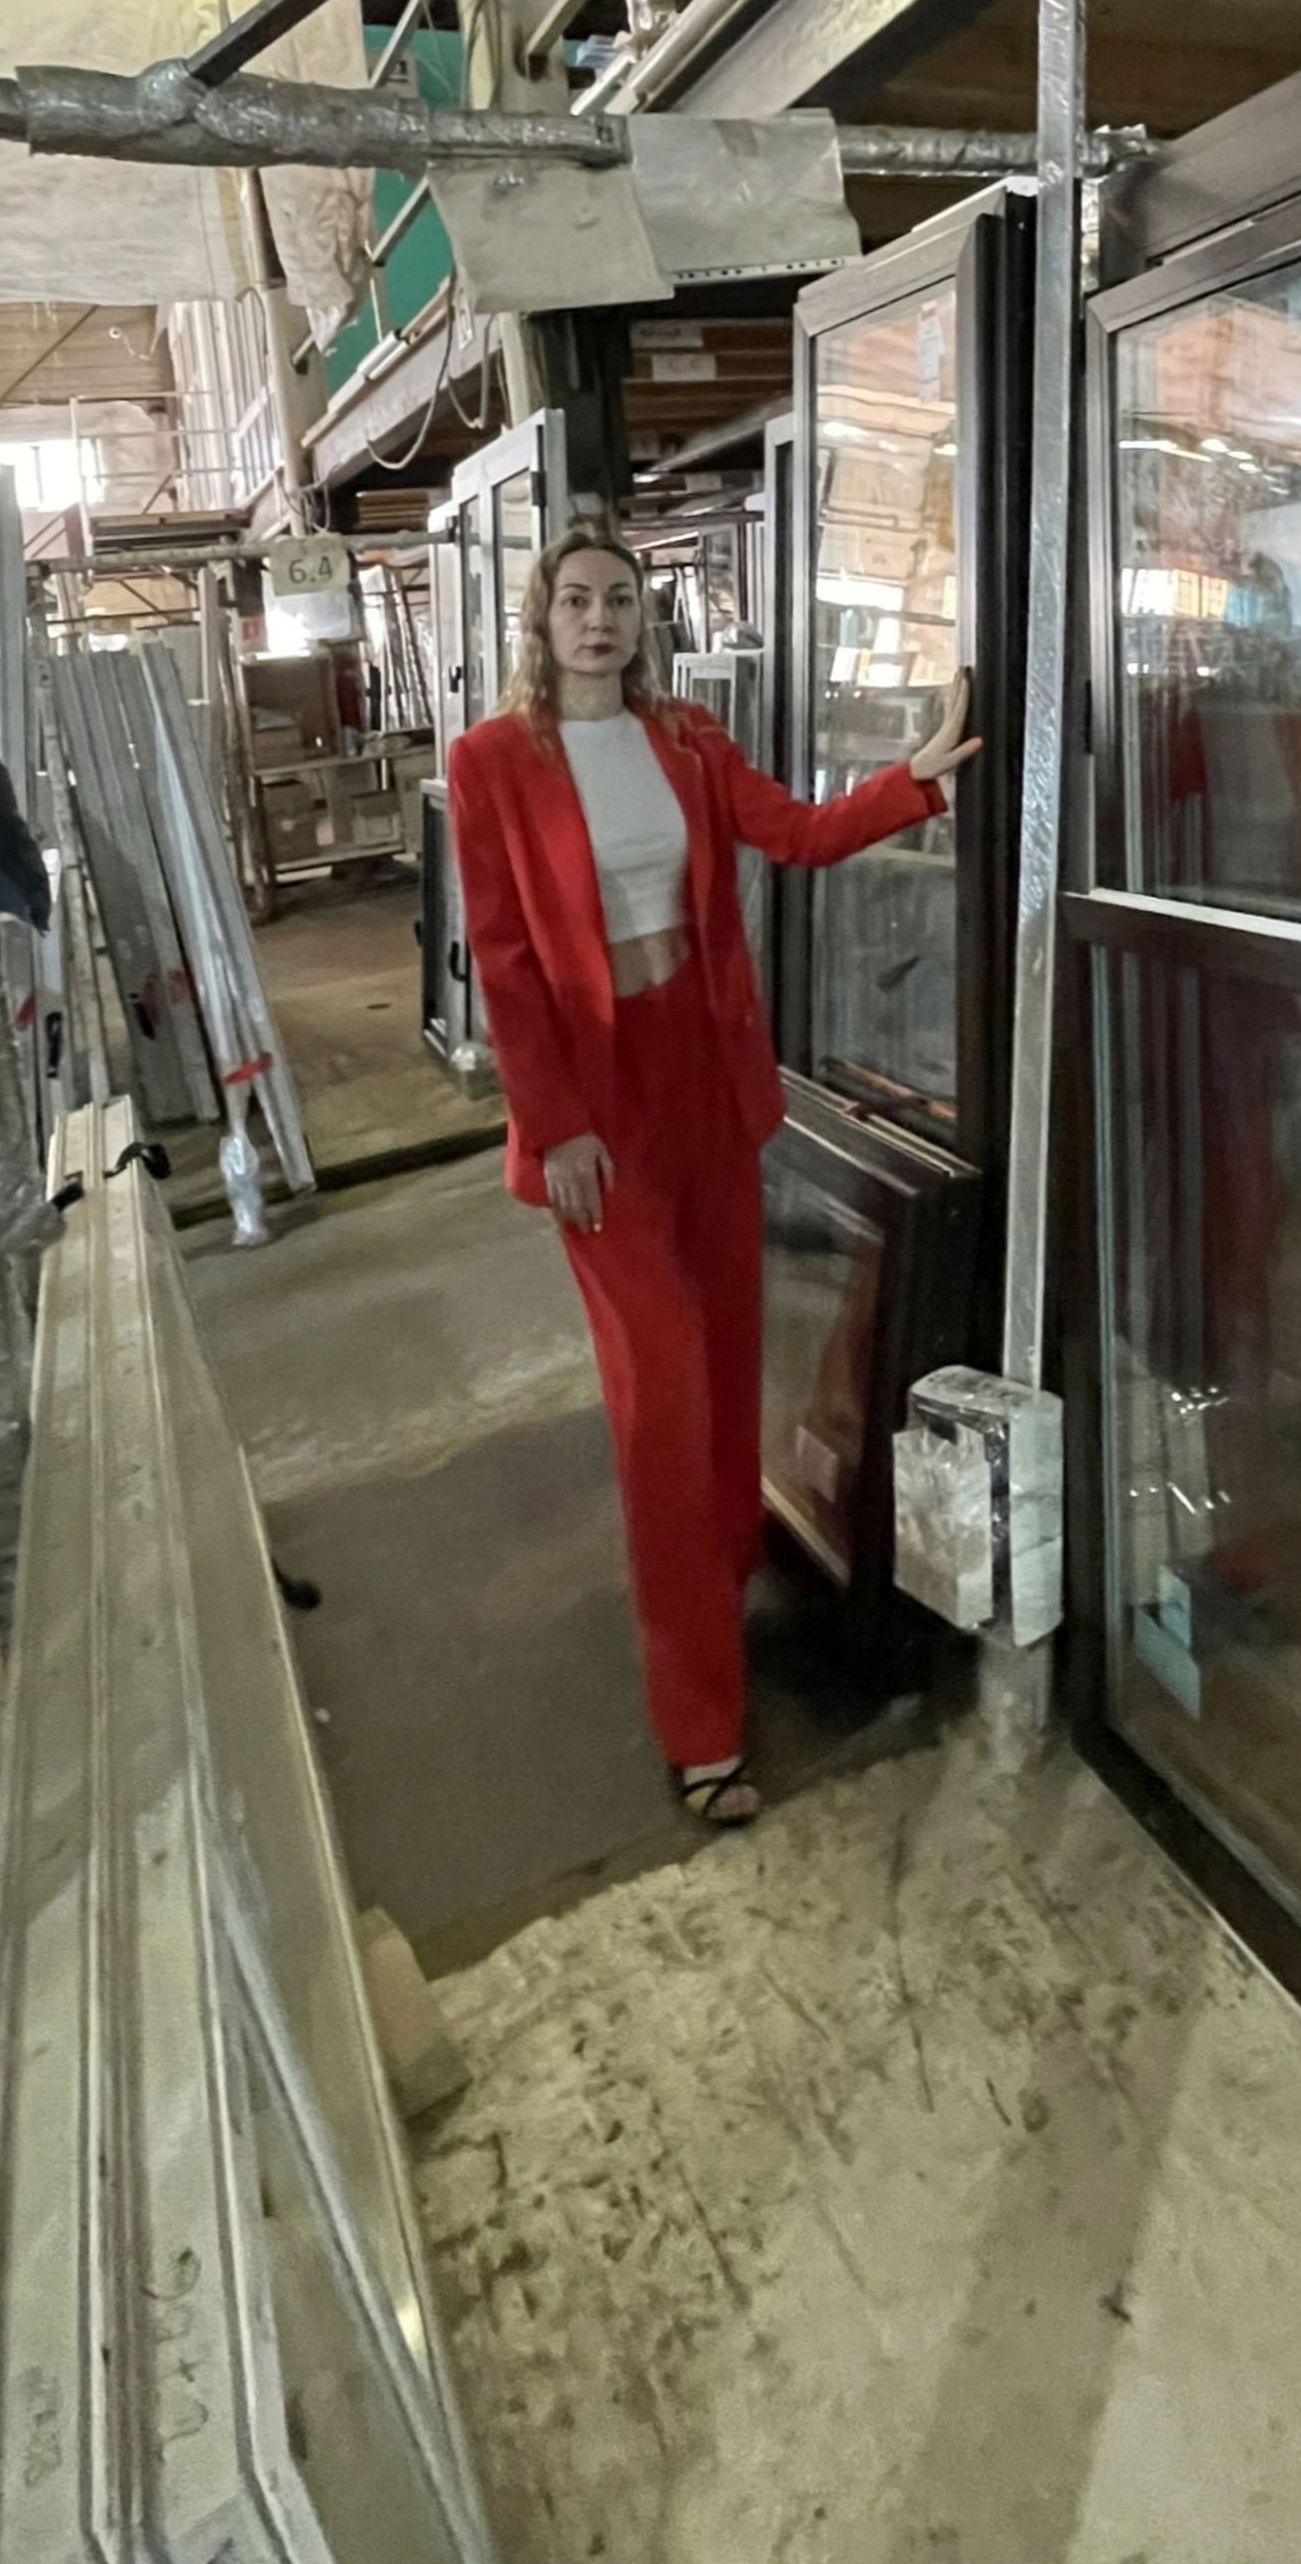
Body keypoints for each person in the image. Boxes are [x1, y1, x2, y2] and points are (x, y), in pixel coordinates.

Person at [447, 524, 978, 1830]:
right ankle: (699, 1722)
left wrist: (914, 781)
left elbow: (795, 833)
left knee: (730, 1366)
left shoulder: (685, 739)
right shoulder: (492, 760)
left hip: (705, 1080)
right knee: (665, 1399)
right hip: (597, 1114)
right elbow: (504, 960)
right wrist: (556, 1124)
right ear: (541, 619)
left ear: (646, 621)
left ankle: (718, 1581)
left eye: (621, 600)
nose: (600, 620)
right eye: (577, 599)